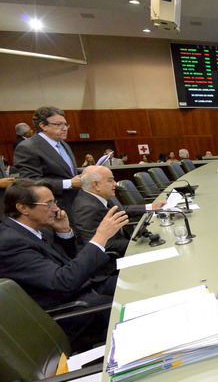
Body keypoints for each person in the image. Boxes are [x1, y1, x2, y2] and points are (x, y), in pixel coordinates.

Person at [0, 178, 128, 343]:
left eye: (54, 202)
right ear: (23, 208)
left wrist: (64, 233)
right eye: (48, 204)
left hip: (83, 290)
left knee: (137, 283)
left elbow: (68, 262)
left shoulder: (37, 228)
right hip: (72, 312)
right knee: (136, 306)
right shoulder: (10, 242)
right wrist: (101, 237)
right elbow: (64, 280)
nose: (56, 209)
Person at [71, 165, 167, 255]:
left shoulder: (96, 196)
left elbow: (121, 210)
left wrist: (151, 207)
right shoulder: (86, 208)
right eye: (110, 180)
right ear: (96, 185)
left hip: (120, 245)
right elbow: (98, 245)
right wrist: (136, 245)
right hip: (110, 261)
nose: (115, 184)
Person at [13, 106, 81, 214]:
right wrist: (69, 183)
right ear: (43, 126)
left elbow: (67, 172)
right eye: (58, 124)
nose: (65, 128)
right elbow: (30, 181)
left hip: (74, 203)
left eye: (65, 124)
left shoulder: (63, 144)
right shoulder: (27, 147)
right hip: (52, 206)